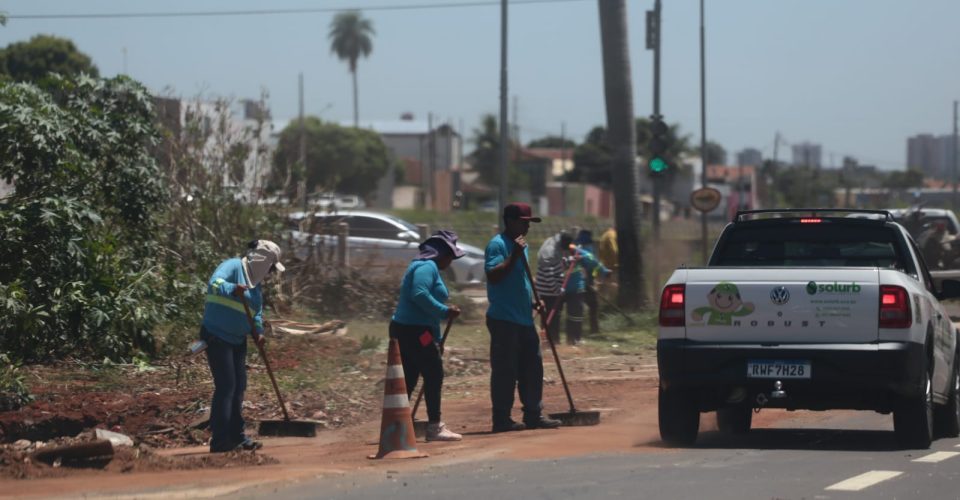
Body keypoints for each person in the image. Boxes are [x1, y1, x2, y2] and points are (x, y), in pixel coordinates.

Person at [200, 239, 285, 453]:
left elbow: (256, 313)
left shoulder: (255, 285)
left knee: (239, 388)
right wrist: (232, 287)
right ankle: (220, 441)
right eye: (271, 266)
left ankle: (236, 436)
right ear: (262, 260)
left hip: (237, 340)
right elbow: (214, 283)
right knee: (227, 386)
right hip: (217, 336)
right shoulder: (233, 266)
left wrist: (259, 333)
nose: (270, 271)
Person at [484, 202, 561, 433]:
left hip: (524, 318)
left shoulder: (522, 246)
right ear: (509, 220)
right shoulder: (497, 245)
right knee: (505, 370)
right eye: (523, 222)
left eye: (529, 223)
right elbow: (494, 275)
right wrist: (514, 256)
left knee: (532, 368)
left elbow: (520, 281)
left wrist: (534, 301)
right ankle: (501, 419)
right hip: (504, 319)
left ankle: (533, 414)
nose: (527, 227)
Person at [389, 230, 465, 442]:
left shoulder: (424, 266)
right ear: (440, 253)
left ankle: (397, 424)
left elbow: (426, 311)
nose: (451, 261)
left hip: (413, 329)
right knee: (434, 373)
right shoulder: (426, 267)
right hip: (414, 331)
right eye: (450, 256)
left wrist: (436, 338)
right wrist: (444, 311)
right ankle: (434, 427)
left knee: (411, 377)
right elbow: (419, 294)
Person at [564, 232, 610, 345]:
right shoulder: (578, 249)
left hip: (574, 286)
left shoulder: (575, 249)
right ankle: (574, 338)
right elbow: (592, 261)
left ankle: (572, 338)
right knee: (581, 310)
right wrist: (603, 272)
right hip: (574, 286)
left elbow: (590, 261)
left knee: (574, 313)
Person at [535, 230, 573, 344]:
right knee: (551, 317)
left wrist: (569, 261)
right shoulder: (549, 250)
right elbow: (549, 274)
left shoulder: (555, 244)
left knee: (554, 316)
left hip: (552, 289)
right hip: (548, 290)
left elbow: (558, 264)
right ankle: (551, 342)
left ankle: (552, 341)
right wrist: (557, 290)